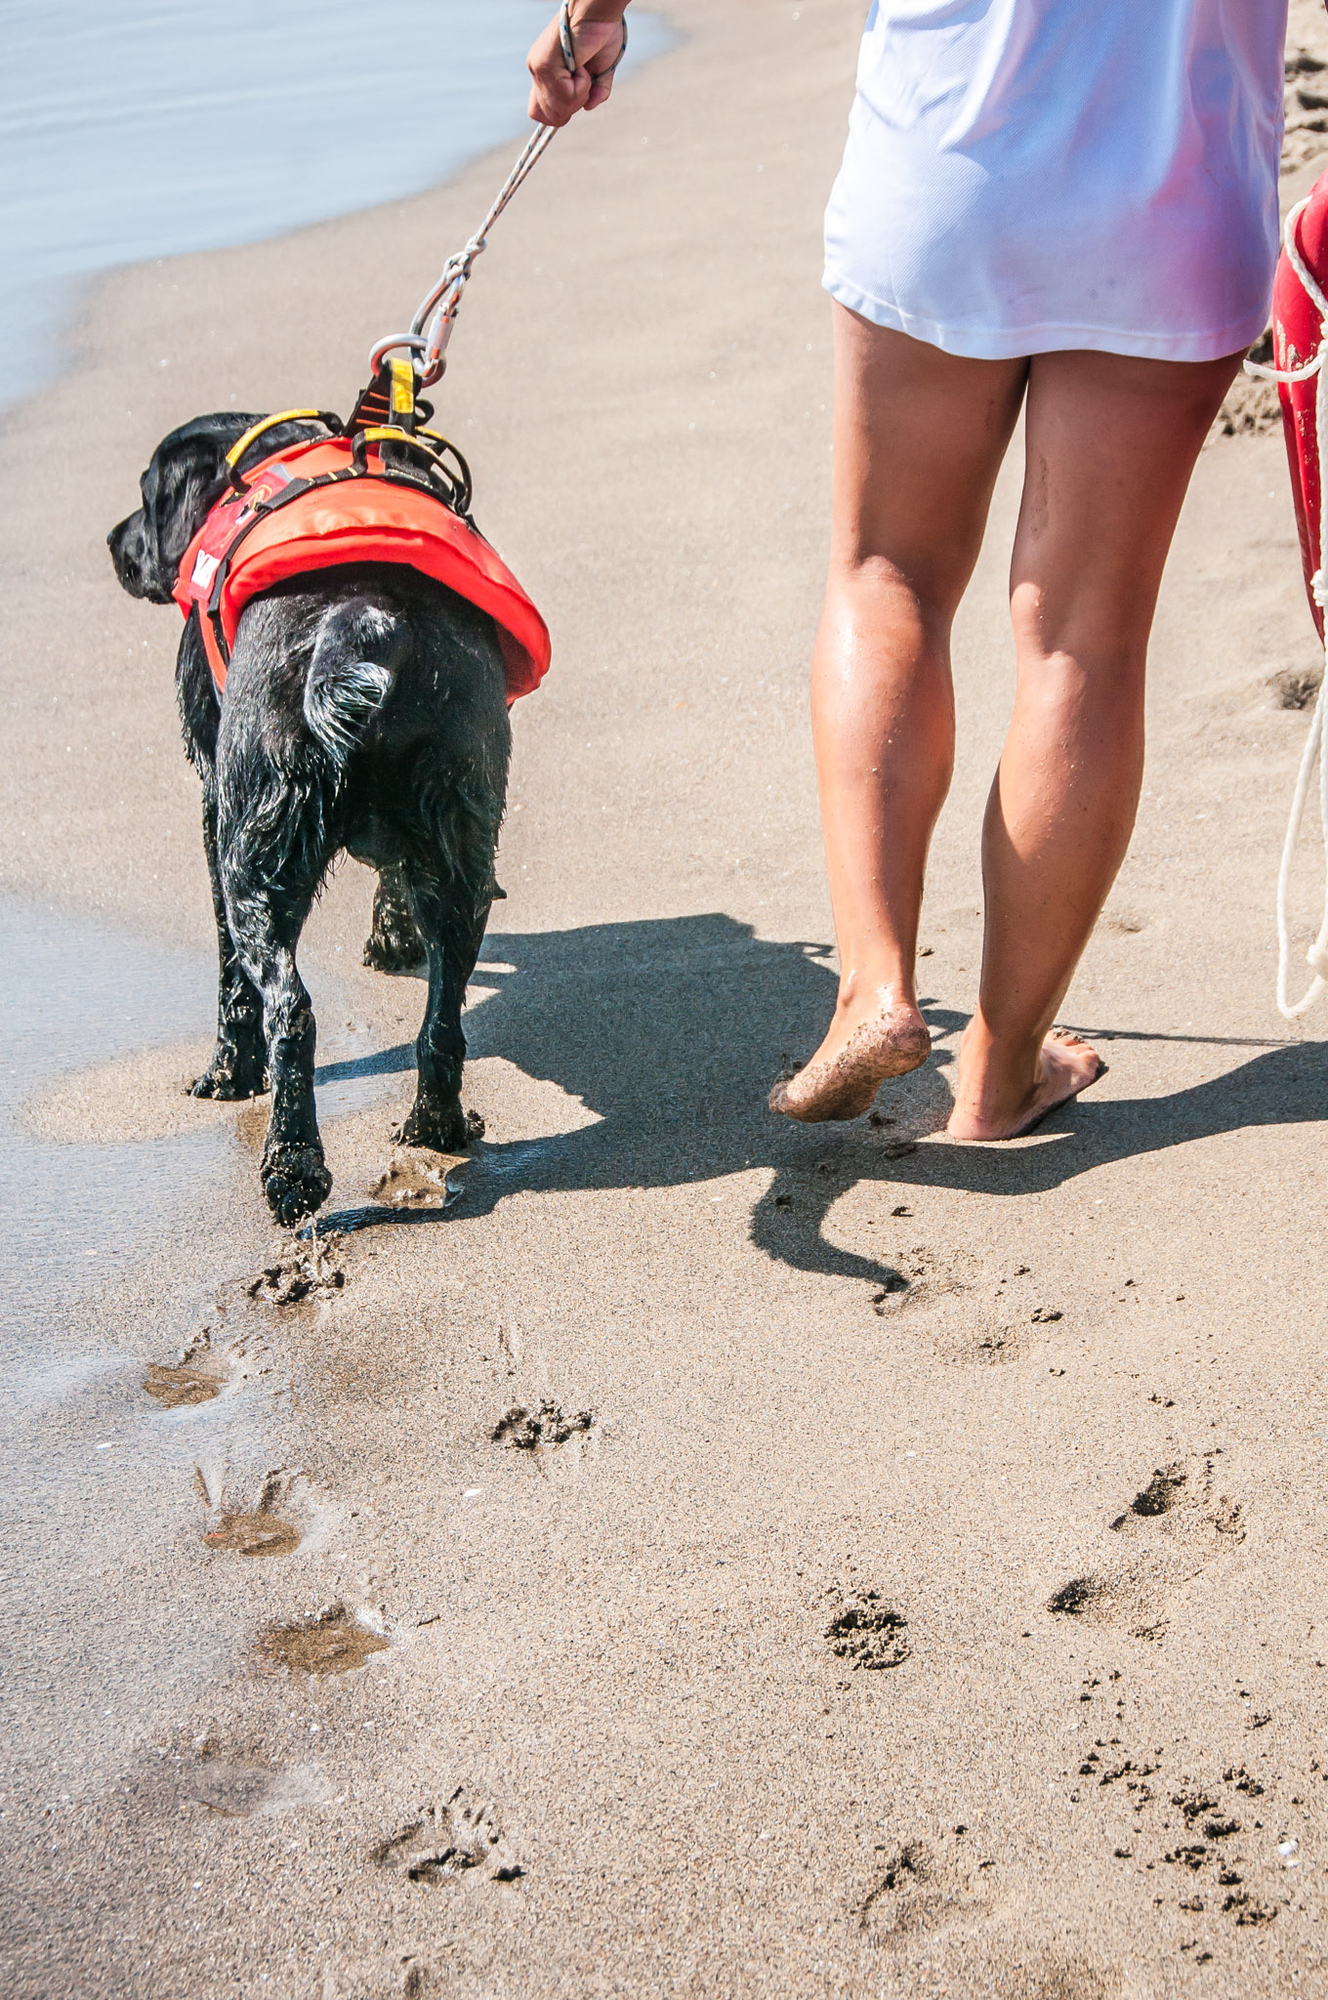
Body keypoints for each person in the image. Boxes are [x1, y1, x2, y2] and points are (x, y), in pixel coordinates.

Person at [528, 1, 1289, 1139]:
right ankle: (997, 1075)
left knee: (887, 573)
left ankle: (874, 989)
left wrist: (596, 9)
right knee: (1084, 636)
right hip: (1172, 197)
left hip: (943, 165)